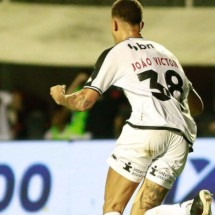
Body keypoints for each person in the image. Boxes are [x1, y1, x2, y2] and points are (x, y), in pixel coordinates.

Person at [50, 1, 212, 214]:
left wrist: (62, 98)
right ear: (141, 25)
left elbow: (83, 102)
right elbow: (197, 106)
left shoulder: (117, 52)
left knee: (113, 207)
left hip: (146, 130)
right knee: (142, 211)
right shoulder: (166, 54)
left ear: (114, 24)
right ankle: (187, 210)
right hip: (180, 137)